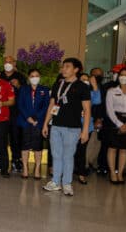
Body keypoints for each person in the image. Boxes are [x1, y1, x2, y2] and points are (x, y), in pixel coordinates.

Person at [42, 58, 91, 196]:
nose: (64, 69)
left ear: (76, 69)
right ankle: (55, 181)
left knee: (68, 156)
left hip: (72, 128)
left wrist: (85, 130)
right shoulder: (58, 84)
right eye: (63, 66)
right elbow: (52, 105)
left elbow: (87, 110)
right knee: (56, 155)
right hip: (56, 126)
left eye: (67, 66)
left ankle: (67, 183)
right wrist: (46, 123)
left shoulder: (82, 86)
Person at [105, 67, 126, 184]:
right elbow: (110, 110)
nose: (124, 77)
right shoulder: (111, 91)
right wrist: (119, 124)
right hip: (114, 120)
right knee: (112, 147)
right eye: (121, 74)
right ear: (118, 77)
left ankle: (120, 173)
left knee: (124, 148)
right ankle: (113, 173)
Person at [16, 69, 50, 179]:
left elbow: (46, 106)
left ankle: (37, 169)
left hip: (39, 122)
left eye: (37, 75)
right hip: (25, 121)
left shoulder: (44, 90)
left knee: (38, 147)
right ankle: (25, 169)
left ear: (40, 77)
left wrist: (37, 118)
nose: (34, 77)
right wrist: (28, 117)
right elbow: (20, 104)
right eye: (32, 75)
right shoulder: (23, 89)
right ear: (28, 77)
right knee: (24, 146)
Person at [74, 73, 101, 185]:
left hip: (86, 126)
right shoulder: (73, 92)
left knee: (81, 150)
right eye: (82, 79)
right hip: (72, 125)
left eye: (87, 80)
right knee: (70, 149)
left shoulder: (90, 93)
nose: (85, 81)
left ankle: (81, 173)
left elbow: (97, 101)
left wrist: (95, 86)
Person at [1, 55, 26, 172]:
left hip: (15, 112)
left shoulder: (20, 77)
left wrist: (19, 86)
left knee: (15, 137)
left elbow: (26, 93)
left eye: (10, 62)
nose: (7, 63)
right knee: (1, 137)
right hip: (0, 111)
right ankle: (2, 160)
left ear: (14, 64)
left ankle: (16, 159)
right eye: (5, 62)